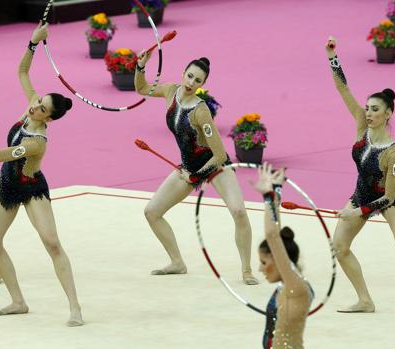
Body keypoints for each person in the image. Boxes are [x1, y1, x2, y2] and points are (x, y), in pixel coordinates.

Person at [0, 23, 83, 326]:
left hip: (31, 187)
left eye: (41, 108)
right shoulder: (30, 106)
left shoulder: (35, 143)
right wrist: (32, 42)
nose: (34, 106)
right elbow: (22, 72)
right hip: (7, 183)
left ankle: (75, 308)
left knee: (52, 243)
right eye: (36, 102)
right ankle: (18, 301)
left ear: (48, 118)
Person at [134, 51, 257, 284]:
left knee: (239, 212)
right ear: (183, 73)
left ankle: (247, 269)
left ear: (203, 84)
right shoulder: (170, 91)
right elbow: (142, 89)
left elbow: (219, 155)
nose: (191, 83)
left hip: (214, 167)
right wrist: (140, 66)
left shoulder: (201, 112)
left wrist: (196, 175)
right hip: (188, 166)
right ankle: (177, 262)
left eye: (197, 80)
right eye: (189, 76)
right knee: (152, 212)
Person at [325, 36, 395, 322]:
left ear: (388, 113)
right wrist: (333, 56)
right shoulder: (360, 123)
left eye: (375, 109)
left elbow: (389, 198)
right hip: (361, 194)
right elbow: (343, 88)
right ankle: (365, 299)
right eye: (368, 108)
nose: (368, 113)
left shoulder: (394, 154)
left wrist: (356, 211)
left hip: (388, 199)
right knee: (339, 247)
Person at [251, 163, 313, 349]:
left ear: (278, 260)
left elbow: (272, 236)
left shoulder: (296, 287)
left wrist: (267, 197)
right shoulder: (289, 283)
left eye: (264, 262)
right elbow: (276, 233)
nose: (260, 268)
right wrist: (277, 191)